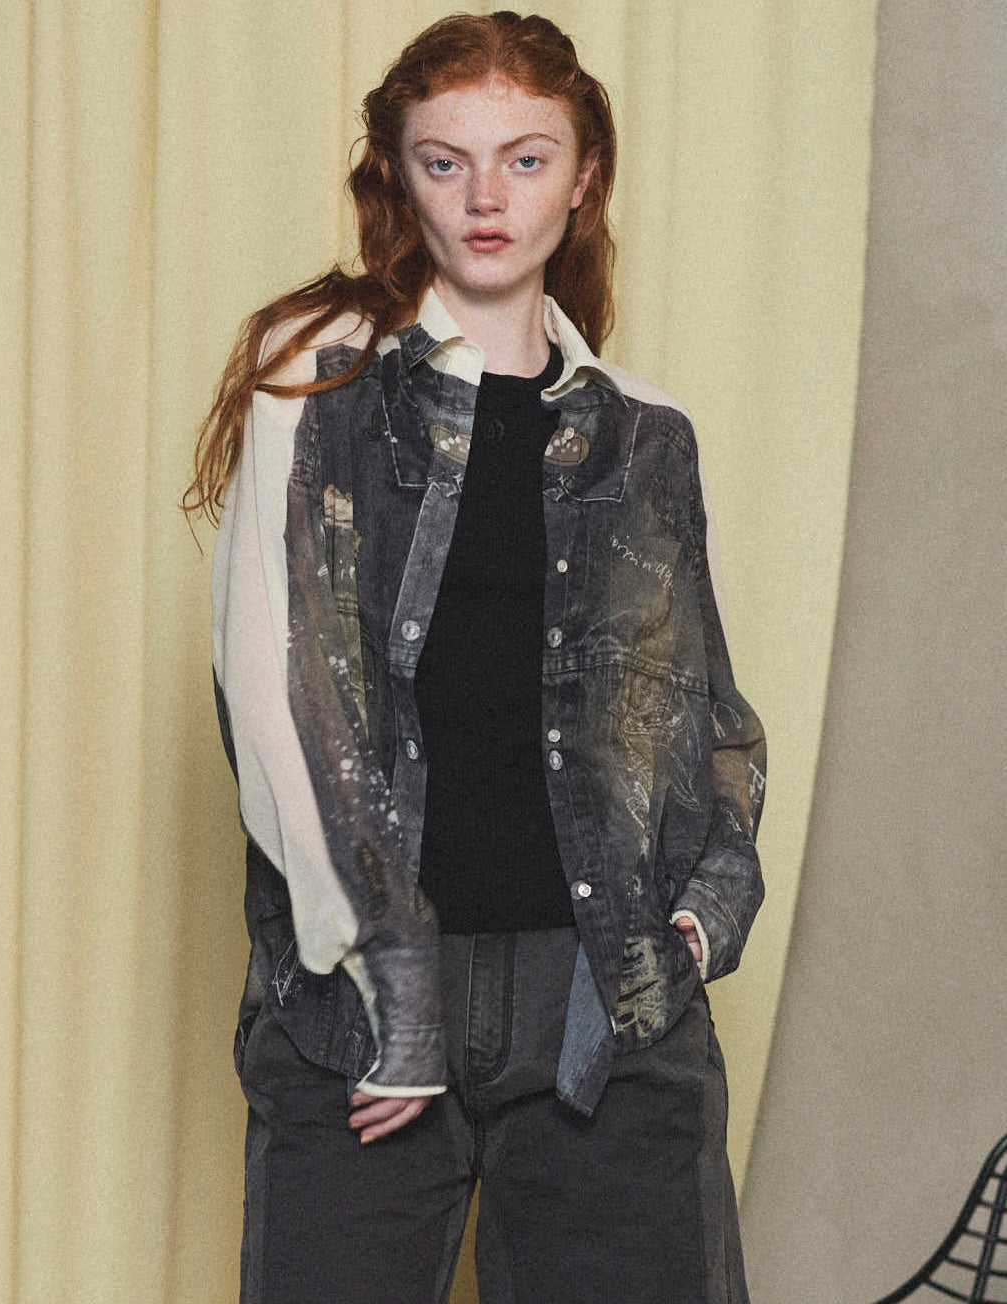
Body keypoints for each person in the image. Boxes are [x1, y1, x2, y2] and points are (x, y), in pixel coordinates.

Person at [186, 11, 766, 1304]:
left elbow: (702, 721)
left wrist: (697, 921)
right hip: (362, 1000)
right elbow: (275, 693)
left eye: (526, 158)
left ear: (584, 175)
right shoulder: (317, 380)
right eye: (444, 162)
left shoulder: (649, 436)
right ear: (399, 178)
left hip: (606, 998)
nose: (486, 197)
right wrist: (384, 972)